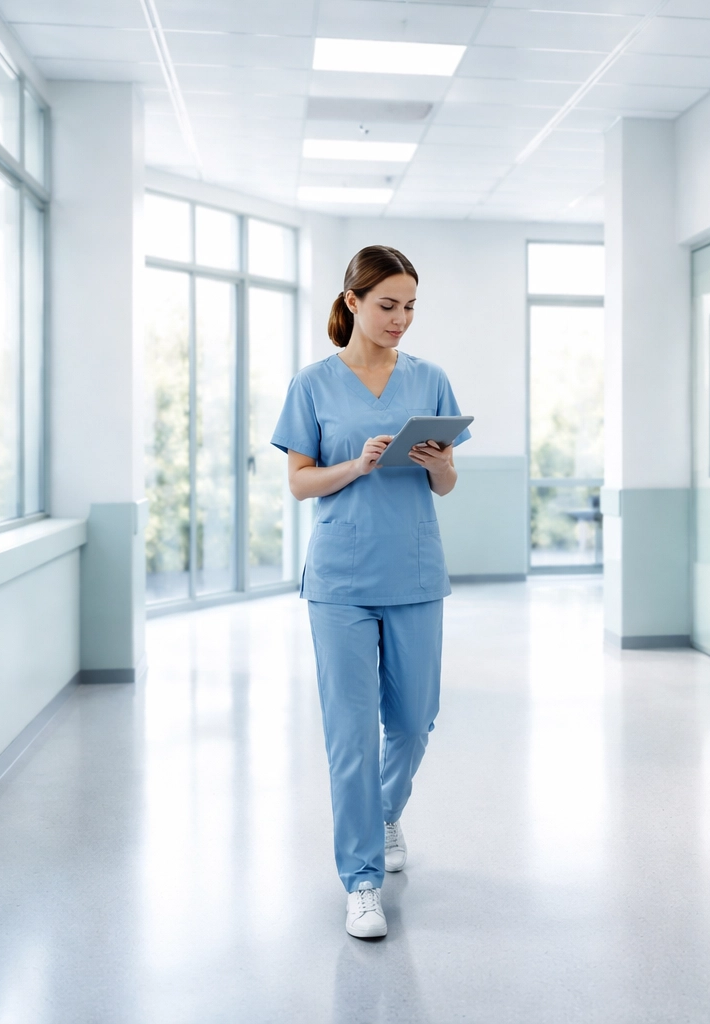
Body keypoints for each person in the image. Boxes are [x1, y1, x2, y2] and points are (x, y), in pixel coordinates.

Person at [271, 245, 470, 939]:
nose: (401, 319)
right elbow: (298, 482)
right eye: (388, 305)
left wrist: (440, 464)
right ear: (352, 301)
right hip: (341, 580)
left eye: (411, 306)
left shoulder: (430, 380)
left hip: (414, 571)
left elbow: (444, 485)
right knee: (350, 736)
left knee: (414, 721)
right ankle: (361, 880)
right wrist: (356, 465)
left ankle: (385, 813)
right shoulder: (313, 385)